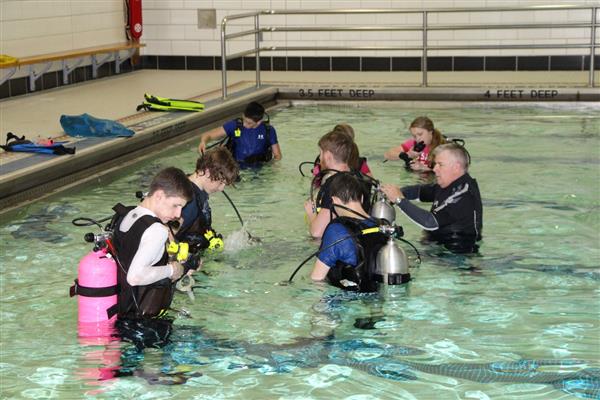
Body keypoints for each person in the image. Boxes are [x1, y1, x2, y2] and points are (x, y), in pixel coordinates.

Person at [112, 167, 196, 320]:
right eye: (176, 205)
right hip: (142, 321)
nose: (178, 214)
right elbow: (135, 276)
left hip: (119, 312)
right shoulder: (157, 230)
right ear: (159, 196)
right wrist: (172, 270)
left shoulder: (128, 214)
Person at [381, 143, 482, 253]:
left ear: (456, 167)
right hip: (437, 246)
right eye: (435, 164)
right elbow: (419, 192)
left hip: (455, 255)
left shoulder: (463, 194)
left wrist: (399, 199)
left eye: (440, 164)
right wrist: (395, 192)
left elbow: (430, 222)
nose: (434, 169)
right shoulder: (447, 184)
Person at [310, 173, 388, 292]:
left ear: (334, 200)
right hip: (376, 296)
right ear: (361, 198)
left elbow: (316, 279)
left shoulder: (336, 231)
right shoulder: (383, 226)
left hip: (346, 303)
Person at [304, 130, 374, 239]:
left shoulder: (335, 184)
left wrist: (311, 213)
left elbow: (317, 233)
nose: (320, 158)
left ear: (327, 155)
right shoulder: (360, 177)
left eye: (321, 153)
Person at [176, 147, 239, 252]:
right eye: (221, 182)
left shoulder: (195, 190)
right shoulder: (189, 201)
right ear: (208, 172)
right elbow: (168, 234)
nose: (222, 188)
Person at [197, 101, 282, 165]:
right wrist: (203, 142)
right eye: (244, 119)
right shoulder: (235, 125)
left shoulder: (268, 130)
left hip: (260, 168)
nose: (244, 124)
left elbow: (277, 156)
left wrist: (271, 169)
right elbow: (208, 135)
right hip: (237, 167)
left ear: (259, 122)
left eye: (249, 123)